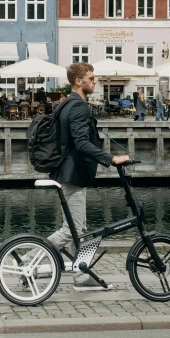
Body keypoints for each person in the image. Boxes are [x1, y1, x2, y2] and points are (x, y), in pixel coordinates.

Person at [46, 62, 129, 290]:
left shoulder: (66, 104)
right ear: (78, 81)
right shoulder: (79, 107)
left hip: (68, 173)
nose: (95, 82)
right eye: (91, 78)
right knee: (70, 230)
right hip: (73, 175)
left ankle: (81, 278)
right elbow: (81, 143)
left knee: (78, 230)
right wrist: (110, 158)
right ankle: (31, 258)